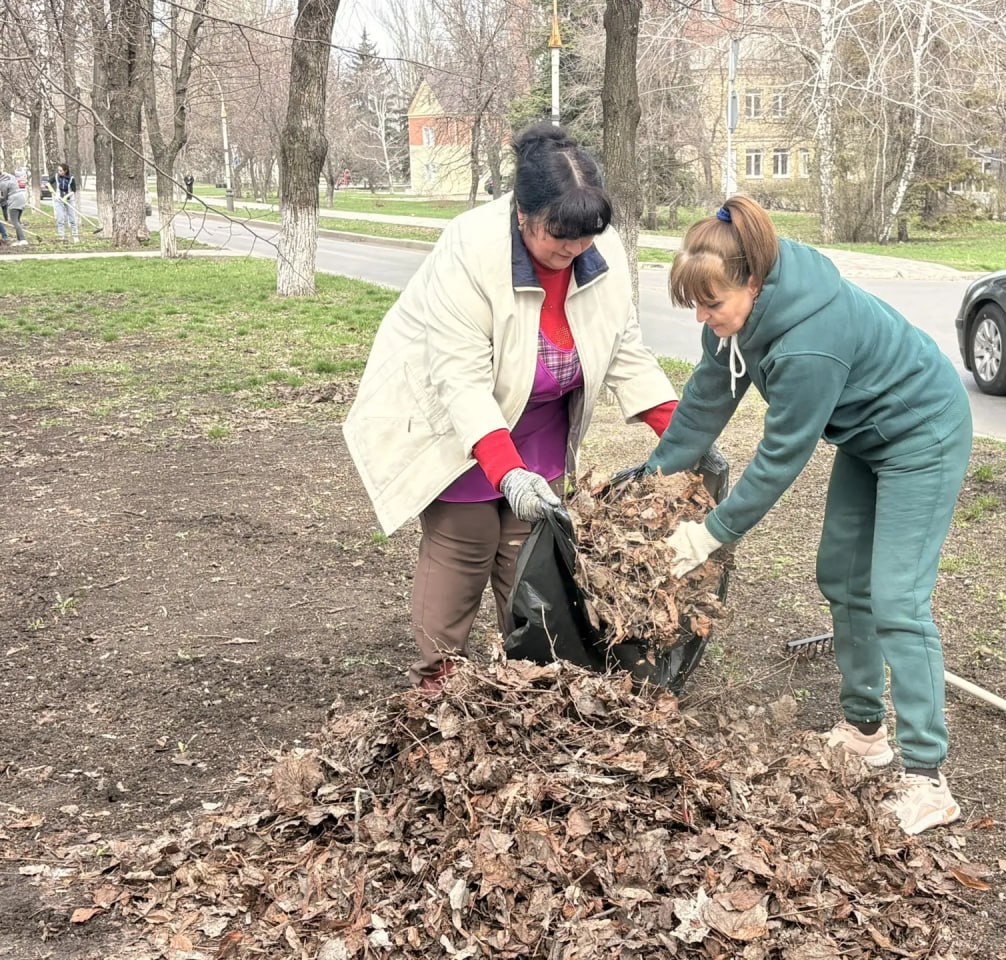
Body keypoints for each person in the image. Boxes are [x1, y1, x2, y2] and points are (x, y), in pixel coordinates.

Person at [644, 195, 973, 836]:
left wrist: (710, 534)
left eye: (712, 305)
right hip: (868, 439)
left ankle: (927, 779)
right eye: (696, 307)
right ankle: (864, 732)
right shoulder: (737, 317)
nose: (704, 319)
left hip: (923, 435)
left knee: (897, 599)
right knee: (842, 577)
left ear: (753, 283)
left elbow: (779, 458)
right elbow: (704, 402)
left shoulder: (808, 345)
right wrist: (651, 480)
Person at [344, 123, 680, 694]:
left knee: (532, 551)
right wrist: (504, 470)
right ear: (522, 214)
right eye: (558, 236)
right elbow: (461, 379)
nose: (573, 250)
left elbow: (624, 348)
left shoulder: (600, 251)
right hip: (455, 420)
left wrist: (681, 432)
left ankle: (529, 677)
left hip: (540, 420)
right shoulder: (472, 250)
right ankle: (439, 681)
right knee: (466, 541)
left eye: (586, 237)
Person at [54, 164, 80, 242]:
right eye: (58, 170)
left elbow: (73, 190)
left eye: (61, 170)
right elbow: (48, 183)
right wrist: (54, 192)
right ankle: (61, 236)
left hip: (69, 201)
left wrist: (66, 197)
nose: (59, 172)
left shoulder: (71, 178)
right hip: (59, 201)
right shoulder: (56, 176)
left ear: (65, 171)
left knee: (72, 219)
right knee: (60, 219)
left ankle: (75, 236)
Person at [0, 172, 28, 245]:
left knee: (14, 221)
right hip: (21, 197)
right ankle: (19, 240)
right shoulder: (10, 176)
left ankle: (23, 239)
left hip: (14, 200)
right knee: (17, 221)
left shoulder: (2, 183)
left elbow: (4, 196)